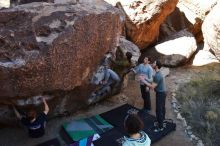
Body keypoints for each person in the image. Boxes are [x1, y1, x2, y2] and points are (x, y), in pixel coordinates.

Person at [140, 60, 166, 132]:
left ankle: (160, 127)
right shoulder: (157, 73)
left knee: (158, 110)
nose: (152, 64)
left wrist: (143, 80)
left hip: (161, 94)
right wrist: (145, 78)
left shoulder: (158, 75)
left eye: (154, 63)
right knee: (162, 108)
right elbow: (153, 81)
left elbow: (152, 87)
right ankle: (162, 121)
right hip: (162, 92)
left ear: (156, 66)